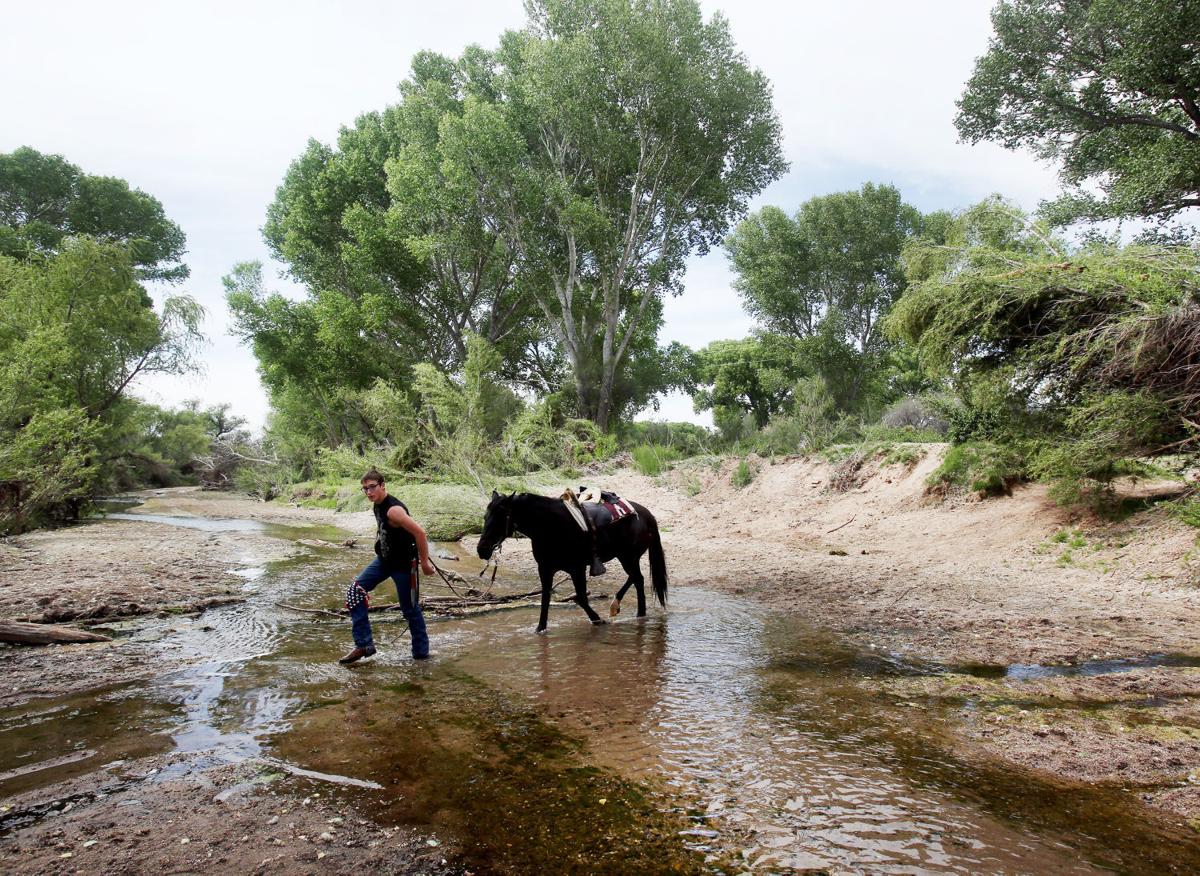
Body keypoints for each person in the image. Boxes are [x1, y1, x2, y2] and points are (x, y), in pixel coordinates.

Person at [339, 468, 436, 664]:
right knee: (355, 591)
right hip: (384, 561)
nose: (368, 492)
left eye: (372, 487)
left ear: (383, 486)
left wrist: (424, 563)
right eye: (365, 489)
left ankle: (421, 654)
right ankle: (364, 645)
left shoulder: (394, 510)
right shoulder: (377, 504)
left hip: (403, 566)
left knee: (409, 609)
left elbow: (420, 534)